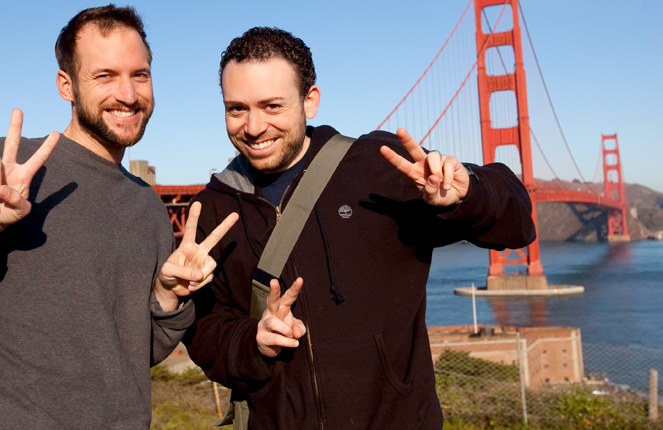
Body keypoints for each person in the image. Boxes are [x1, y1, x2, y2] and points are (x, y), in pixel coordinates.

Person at [0, 5, 237, 430]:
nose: (128, 94)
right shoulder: (8, 168)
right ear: (66, 85)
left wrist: (166, 297)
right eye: (104, 76)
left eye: (139, 75)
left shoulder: (148, 208)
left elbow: (138, 355)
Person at [183, 27, 536, 429]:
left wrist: (470, 193)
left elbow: (518, 226)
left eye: (272, 106)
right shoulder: (212, 208)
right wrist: (253, 342)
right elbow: (204, 329)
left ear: (309, 101)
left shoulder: (376, 167)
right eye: (237, 109)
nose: (253, 126)